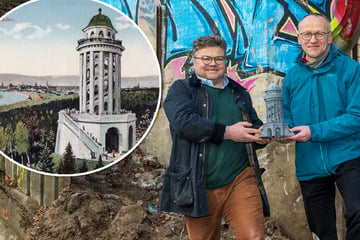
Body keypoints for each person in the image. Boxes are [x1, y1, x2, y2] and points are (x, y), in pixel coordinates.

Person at [160, 35, 270, 240]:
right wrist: (228, 132)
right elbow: (184, 123)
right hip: (198, 182)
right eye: (206, 58)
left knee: (254, 236)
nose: (213, 63)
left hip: (239, 178)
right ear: (194, 61)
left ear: (225, 61)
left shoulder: (239, 92)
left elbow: (251, 127)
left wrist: (261, 136)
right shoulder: (181, 90)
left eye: (218, 59)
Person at [279, 13, 360, 240]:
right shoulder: (292, 76)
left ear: (329, 38)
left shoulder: (351, 70)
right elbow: (286, 114)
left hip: (349, 156)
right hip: (309, 162)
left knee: (359, 211)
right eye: (307, 34)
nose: (313, 39)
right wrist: (284, 131)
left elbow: (357, 116)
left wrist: (313, 131)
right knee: (321, 230)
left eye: (319, 34)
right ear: (299, 39)